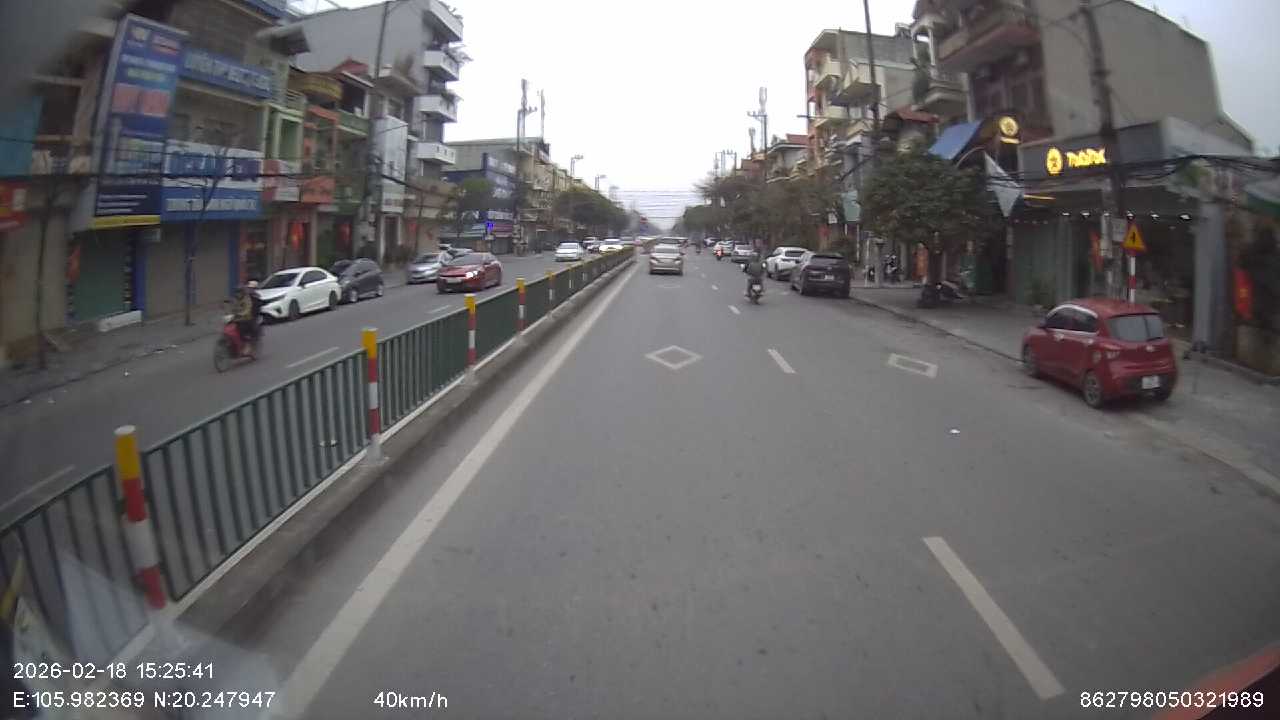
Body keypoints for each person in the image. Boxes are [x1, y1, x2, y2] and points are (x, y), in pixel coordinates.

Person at [232, 280, 263, 355]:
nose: (250, 289)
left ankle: (248, 345)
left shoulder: (252, 298)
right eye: (249, 288)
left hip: (249, 317)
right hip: (240, 317)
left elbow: (248, 308)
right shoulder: (237, 299)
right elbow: (232, 306)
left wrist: (242, 313)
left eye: (252, 288)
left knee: (245, 328)